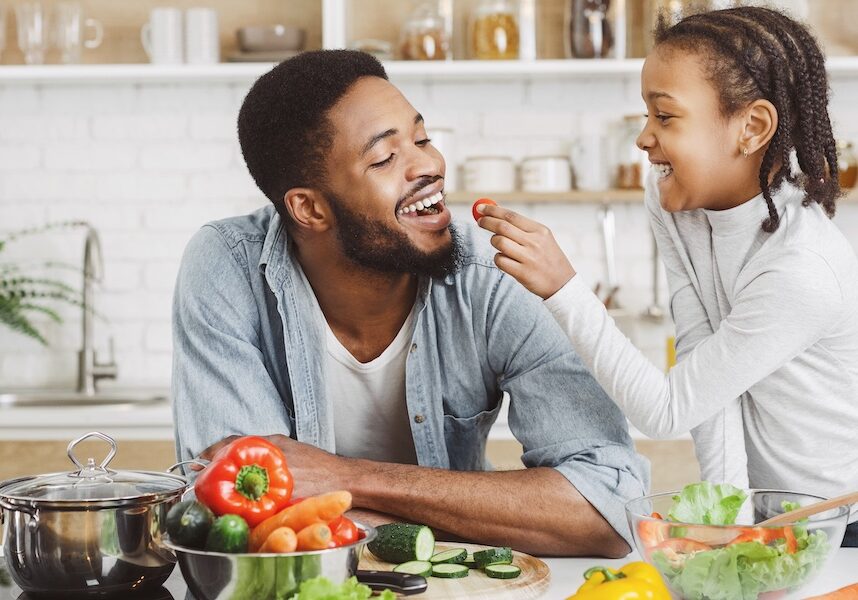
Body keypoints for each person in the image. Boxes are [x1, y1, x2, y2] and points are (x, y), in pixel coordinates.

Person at [171, 49, 649, 557]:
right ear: (309, 208)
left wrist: (344, 478)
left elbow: (610, 510)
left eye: (421, 138)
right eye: (384, 158)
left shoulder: (496, 275)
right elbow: (242, 516)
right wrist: (484, 516)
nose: (429, 164)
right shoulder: (228, 266)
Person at [478, 6, 858, 547]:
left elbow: (666, 409)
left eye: (666, 116)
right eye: (646, 114)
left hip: (834, 529)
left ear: (750, 128)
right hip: (763, 523)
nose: (644, 138)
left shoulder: (801, 269)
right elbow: (708, 381)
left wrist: (563, 288)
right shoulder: (676, 202)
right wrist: (731, 524)